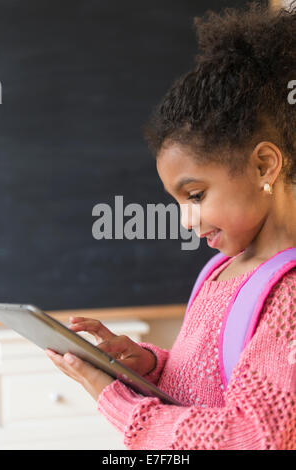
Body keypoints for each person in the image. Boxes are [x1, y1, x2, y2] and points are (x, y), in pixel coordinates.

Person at [46, 2, 296, 450]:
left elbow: (256, 436)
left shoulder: (289, 295)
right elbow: (207, 382)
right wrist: (148, 366)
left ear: (264, 165)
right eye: (177, 201)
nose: (186, 220)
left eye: (196, 195)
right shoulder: (220, 272)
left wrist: (116, 403)